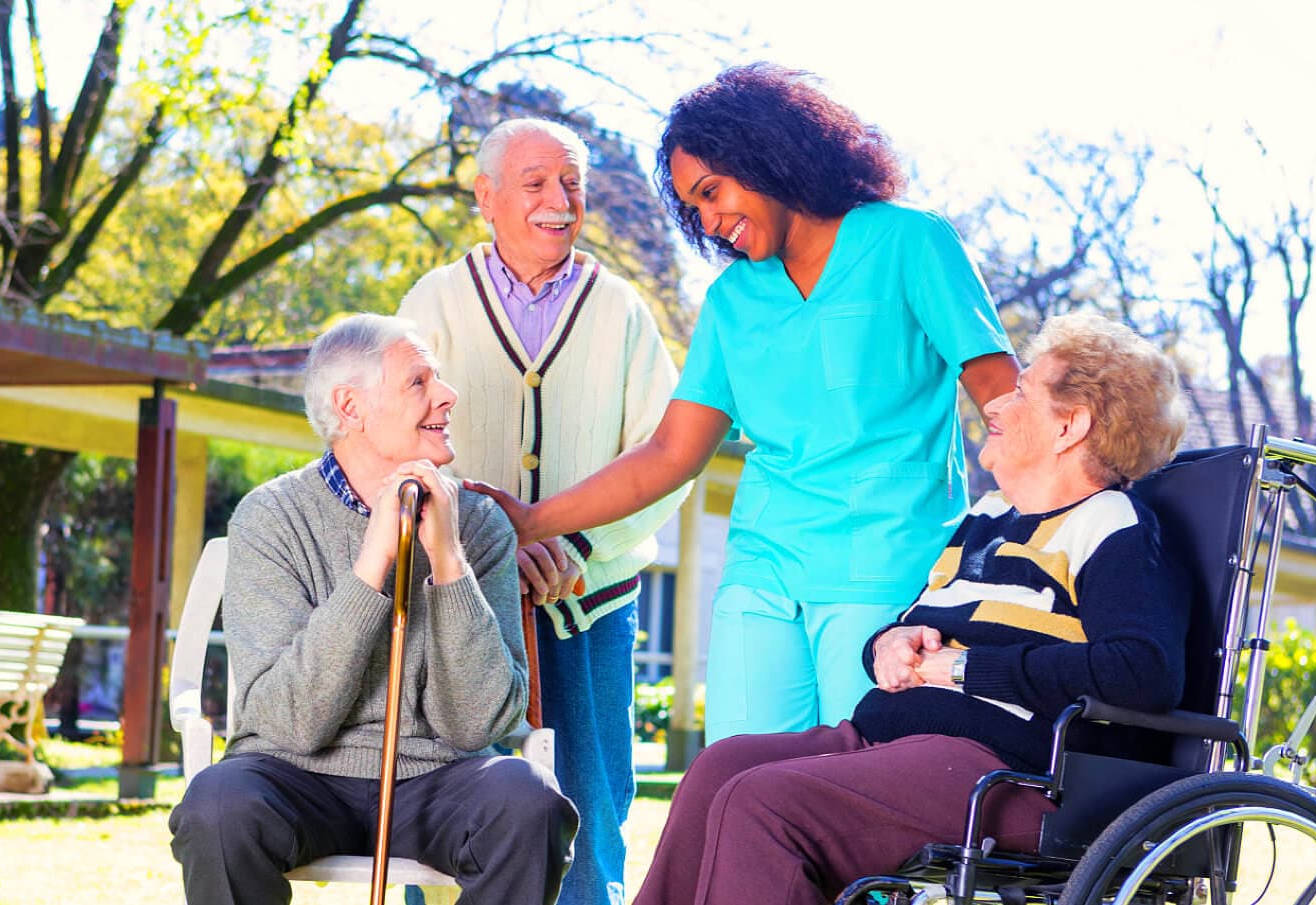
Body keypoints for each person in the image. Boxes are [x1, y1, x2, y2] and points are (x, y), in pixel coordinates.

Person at [469, 64, 1021, 742]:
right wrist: (531, 520)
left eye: (712, 191)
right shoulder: (733, 300)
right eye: (692, 208)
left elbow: (1002, 395)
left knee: (857, 787)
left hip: (885, 564)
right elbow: (671, 452)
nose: (707, 221)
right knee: (737, 775)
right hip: (763, 566)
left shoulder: (909, 242)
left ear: (767, 153)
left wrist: (1051, 526)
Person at [631, 313, 1192, 905]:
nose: (997, 406)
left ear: (1070, 425)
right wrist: (887, 647)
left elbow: (1141, 671)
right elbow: (919, 631)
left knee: (766, 802)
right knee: (719, 769)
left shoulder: (1112, 524)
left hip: (1002, 772)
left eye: (1023, 392)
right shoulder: (989, 518)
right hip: (892, 741)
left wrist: (960, 669)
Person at [169, 314, 578, 905]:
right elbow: (289, 723)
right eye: (419, 381)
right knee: (217, 805)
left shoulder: (480, 525)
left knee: (527, 798)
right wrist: (373, 561)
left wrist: (446, 558)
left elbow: (478, 724)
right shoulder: (271, 519)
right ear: (351, 406)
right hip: (296, 778)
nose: (447, 395)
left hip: (436, 780)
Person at [397, 117, 686, 905]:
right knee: (449, 795)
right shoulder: (432, 302)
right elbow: (393, 448)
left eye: (572, 183)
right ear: (485, 196)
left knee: (591, 801)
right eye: (535, 183)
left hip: (589, 601)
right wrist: (489, 545)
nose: (560, 200)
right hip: (455, 602)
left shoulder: (622, 310)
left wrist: (570, 541)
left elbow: (668, 454)